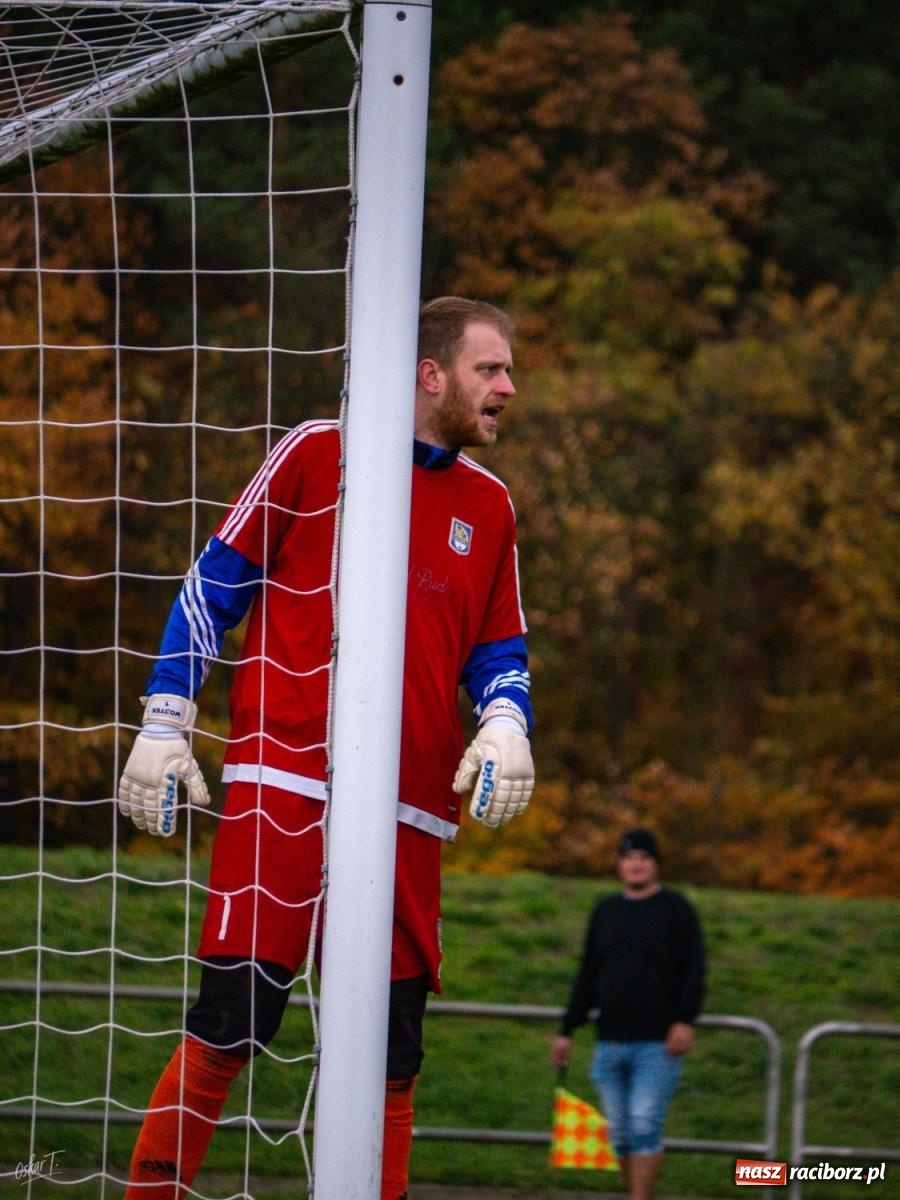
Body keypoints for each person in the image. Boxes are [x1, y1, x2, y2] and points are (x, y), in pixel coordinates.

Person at [117, 297, 535, 1200]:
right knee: (230, 1022)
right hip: (285, 783)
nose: (507, 387)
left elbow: (501, 650)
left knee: (393, 1052)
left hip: (410, 812)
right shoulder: (318, 451)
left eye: (506, 371)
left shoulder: (492, 507)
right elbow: (213, 583)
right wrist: (163, 716)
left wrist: (506, 719)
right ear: (431, 375)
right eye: (489, 369)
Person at [551, 828, 705, 1200]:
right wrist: (567, 1028)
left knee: (644, 1124)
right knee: (618, 1131)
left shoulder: (676, 909)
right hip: (609, 1042)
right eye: (628, 857)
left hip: (657, 1044)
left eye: (644, 857)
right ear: (619, 865)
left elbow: (694, 968)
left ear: (655, 865)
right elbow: (589, 972)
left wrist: (685, 1019)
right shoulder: (606, 912)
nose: (636, 864)